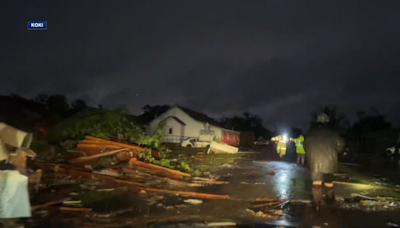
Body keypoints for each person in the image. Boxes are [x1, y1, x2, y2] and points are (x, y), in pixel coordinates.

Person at [305, 113, 345, 208]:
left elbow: (305, 145)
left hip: (315, 163)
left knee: (316, 183)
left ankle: (317, 203)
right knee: (329, 182)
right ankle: (330, 201)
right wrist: (336, 151)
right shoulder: (332, 133)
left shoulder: (311, 133)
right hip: (329, 162)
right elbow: (341, 145)